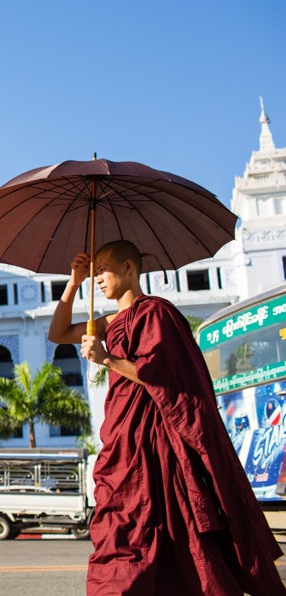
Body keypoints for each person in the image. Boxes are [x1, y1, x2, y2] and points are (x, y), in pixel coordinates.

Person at [49, 240, 285, 595]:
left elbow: (161, 377)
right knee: (122, 527)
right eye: (95, 273)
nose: (98, 279)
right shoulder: (109, 320)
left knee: (172, 526)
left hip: (158, 441)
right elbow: (57, 334)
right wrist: (73, 281)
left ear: (129, 268)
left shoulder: (157, 312)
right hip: (124, 439)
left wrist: (107, 359)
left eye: (103, 270)